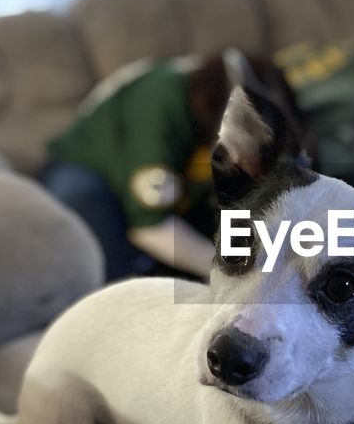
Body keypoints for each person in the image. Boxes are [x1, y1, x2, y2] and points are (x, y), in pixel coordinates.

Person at [42, 49, 297, 281]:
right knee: (83, 199)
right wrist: (231, 274)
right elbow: (151, 226)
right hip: (82, 168)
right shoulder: (163, 98)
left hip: (169, 190)